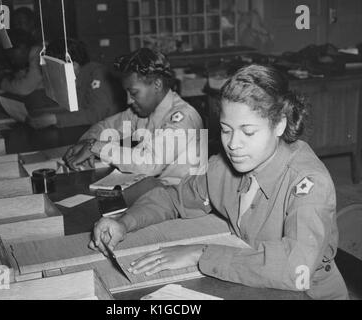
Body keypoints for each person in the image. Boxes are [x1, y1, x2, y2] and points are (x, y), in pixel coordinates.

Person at [89, 64, 349, 300]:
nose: (233, 144)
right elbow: (173, 198)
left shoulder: (308, 182)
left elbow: (296, 269)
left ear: (279, 124)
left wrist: (201, 253)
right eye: (226, 130)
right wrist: (124, 222)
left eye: (248, 132)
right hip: (253, 285)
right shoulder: (224, 166)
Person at [64, 48, 206, 185]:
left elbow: (150, 163)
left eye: (133, 93)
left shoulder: (182, 118)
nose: (128, 101)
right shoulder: (142, 112)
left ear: (157, 85)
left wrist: (95, 147)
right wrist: (86, 142)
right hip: (156, 190)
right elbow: (106, 126)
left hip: (182, 199)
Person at [27, 38, 126, 129]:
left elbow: (96, 114)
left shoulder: (97, 75)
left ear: (73, 66)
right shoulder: (79, 78)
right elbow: (79, 109)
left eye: (54, 69)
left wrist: (54, 119)